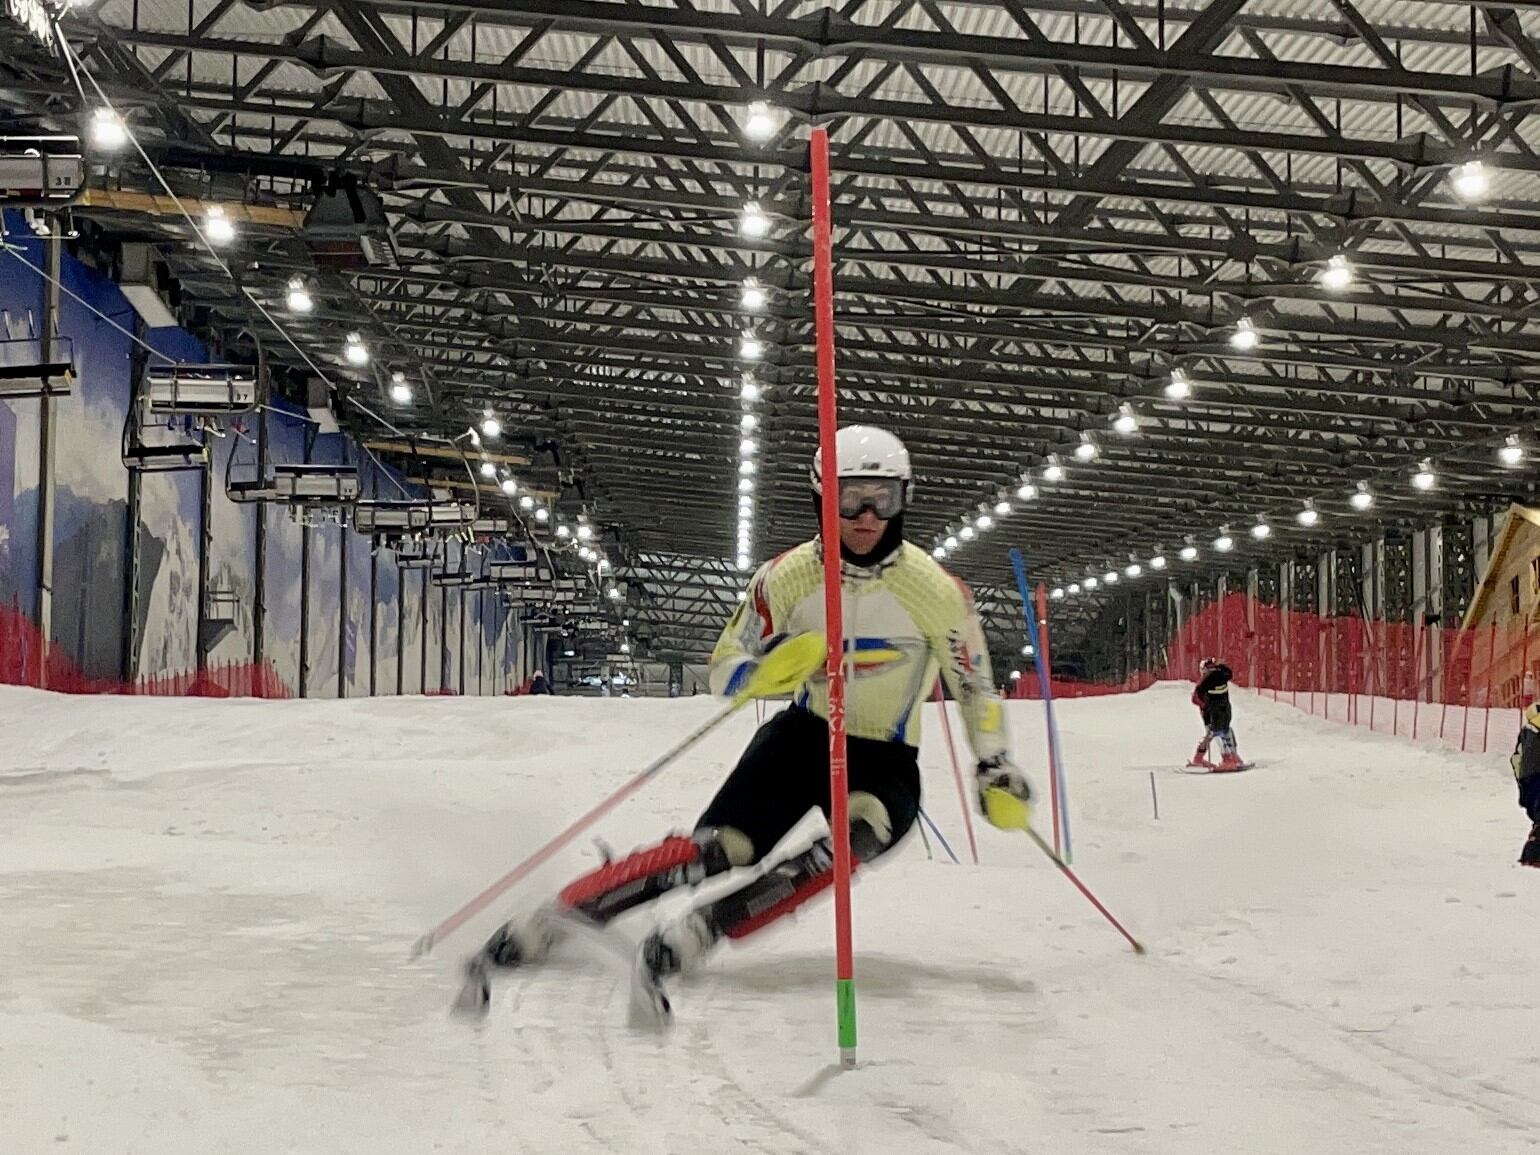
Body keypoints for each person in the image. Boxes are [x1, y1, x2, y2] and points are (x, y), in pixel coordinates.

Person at [460, 425, 1032, 1017]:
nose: (866, 516)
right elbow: (725, 664)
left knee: (852, 842)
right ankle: (558, 916)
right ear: (821, 498)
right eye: (850, 498)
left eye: (882, 499)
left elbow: (976, 686)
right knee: (719, 849)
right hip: (800, 740)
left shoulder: (937, 593)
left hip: (882, 758)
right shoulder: (786, 578)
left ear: (903, 500)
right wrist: (769, 669)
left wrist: (994, 761)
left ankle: (704, 930)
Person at [1189, 656, 1246, 771]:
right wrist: (1206, 706)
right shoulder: (1205, 681)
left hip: (1221, 710)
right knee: (1217, 733)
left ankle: (1232, 756)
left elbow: (1228, 674)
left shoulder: (1219, 676)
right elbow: (1196, 698)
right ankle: (1227, 758)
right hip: (1211, 714)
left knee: (1223, 732)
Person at [1512, 702, 1540, 867]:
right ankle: (1533, 855)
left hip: (1529, 778)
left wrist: (1522, 782)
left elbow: (1517, 760)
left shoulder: (1528, 731)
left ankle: (1532, 855)